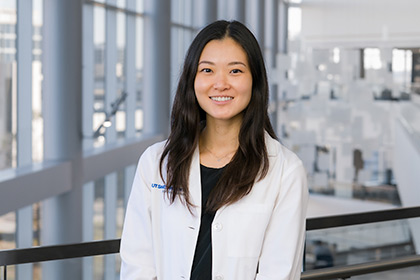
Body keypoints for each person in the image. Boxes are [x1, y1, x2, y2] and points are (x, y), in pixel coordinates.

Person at [120, 20, 308, 280]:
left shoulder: (285, 171)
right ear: (192, 79)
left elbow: (279, 272)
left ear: (255, 81)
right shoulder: (156, 162)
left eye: (235, 71)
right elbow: (137, 263)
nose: (220, 84)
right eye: (207, 70)